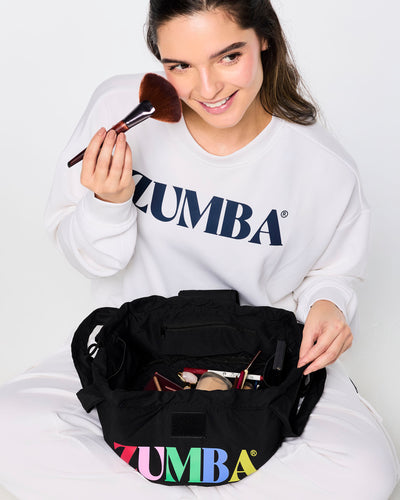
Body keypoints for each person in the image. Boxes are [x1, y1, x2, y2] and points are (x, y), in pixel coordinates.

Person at [0, 1, 399, 498]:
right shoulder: (120, 110)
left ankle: (152, 474)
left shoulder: (323, 165)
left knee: (365, 473)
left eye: (228, 57)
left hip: (260, 354)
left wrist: (329, 303)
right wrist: (108, 204)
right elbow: (94, 261)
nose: (207, 89)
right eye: (180, 66)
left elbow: (333, 273)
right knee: (8, 430)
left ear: (264, 39)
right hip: (136, 347)